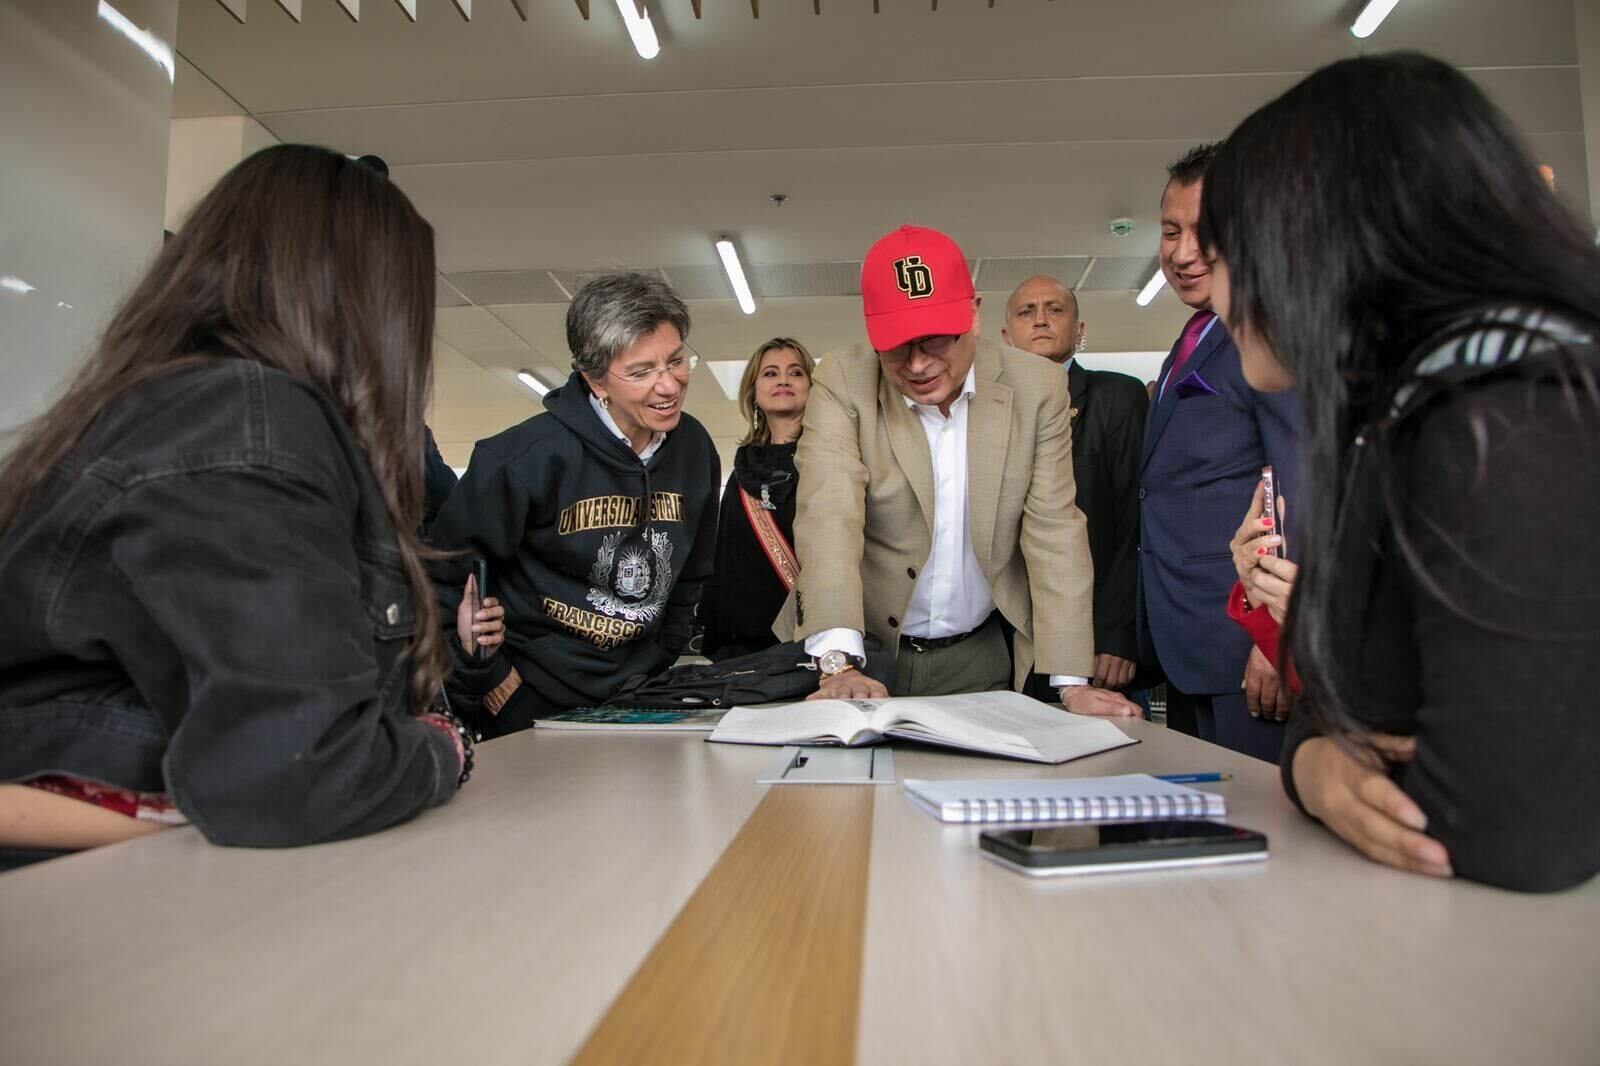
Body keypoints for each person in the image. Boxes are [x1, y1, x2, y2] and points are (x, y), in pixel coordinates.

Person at [0, 145, 501, 866]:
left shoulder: (196, 405)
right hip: (77, 894)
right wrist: (445, 749)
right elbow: (304, 768)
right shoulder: (245, 421)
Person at [1200, 51, 1600, 891]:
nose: (1218, 290)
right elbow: (1332, 677)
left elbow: (1499, 832)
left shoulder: (1516, 424)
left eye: (1229, 249)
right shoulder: (1409, 413)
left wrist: (1331, 749)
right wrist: (1316, 767)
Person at [791, 225, 1136, 716]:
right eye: (896, 345)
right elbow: (828, 513)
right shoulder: (843, 379)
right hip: (858, 652)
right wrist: (838, 662)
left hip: (979, 655)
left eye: (935, 340)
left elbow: (1054, 529)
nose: (917, 365)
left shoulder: (1036, 389)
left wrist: (1071, 683)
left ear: (973, 314)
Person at [429, 272, 720, 736]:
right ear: (594, 380)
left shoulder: (695, 447)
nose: (669, 386)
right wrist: (496, 684)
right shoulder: (519, 460)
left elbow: (692, 574)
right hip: (533, 699)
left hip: (641, 692)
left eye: (676, 361)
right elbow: (443, 583)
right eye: (642, 372)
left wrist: (664, 650)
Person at [1137, 143, 1301, 760]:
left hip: (1249, 645)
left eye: (1204, 233)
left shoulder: (1272, 328)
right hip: (1188, 640)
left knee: (1267, 838)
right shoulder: (1198, 332)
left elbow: (1296, 484)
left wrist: (1276, 634)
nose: (1182, 254)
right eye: (1170, 231)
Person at [1001, 275, 1148, 695]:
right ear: (1006, 335)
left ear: (1079, 329)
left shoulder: (1117, 397)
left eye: (1055, 309)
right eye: (1027, 312)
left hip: (1093, 639)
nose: (1041, 320)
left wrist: (1118, 635)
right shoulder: (986, 409)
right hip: (1004, 640)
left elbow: (1134, 523)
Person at [700, 338, 815, 660]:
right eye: (770, 373)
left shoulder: (831, 460)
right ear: (753, 392)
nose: (783, 380)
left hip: (816, 635)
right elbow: (724, 562)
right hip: (747, 644)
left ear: (811, 386)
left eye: (795, 372)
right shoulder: (741, 472)